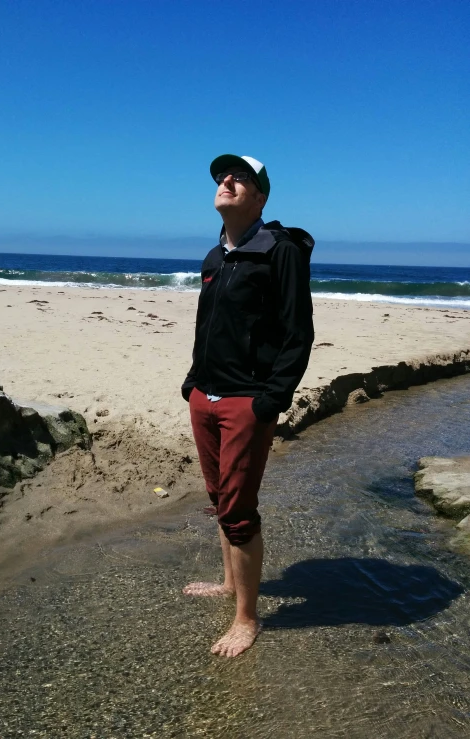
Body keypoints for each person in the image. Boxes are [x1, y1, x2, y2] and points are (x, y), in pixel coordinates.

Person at [181, 154, 314, 657]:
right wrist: (193, 383)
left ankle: (246, 618)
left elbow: (298, 333)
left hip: (245, 402)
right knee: (220, 501)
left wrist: (269, 402)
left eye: (240, 177)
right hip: (205, 396)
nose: (227, 181)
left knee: (239, 511)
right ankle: (230, 584)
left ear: (260, 197)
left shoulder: (280, 251)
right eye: (221, 176)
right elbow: (208, 328)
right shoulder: (215, 256)